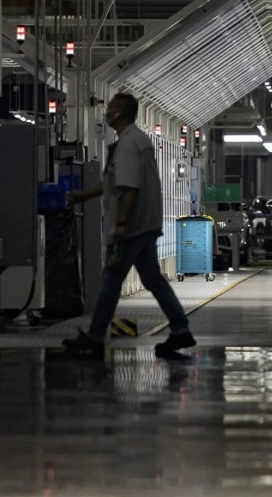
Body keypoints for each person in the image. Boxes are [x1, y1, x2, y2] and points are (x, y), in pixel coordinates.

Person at [62, 93, 195, 359]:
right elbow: (115, 183)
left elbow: (129, 188)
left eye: (110, 108)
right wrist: (84, 195)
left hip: (131, 227)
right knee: (153, 279)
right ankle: (180, 329)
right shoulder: (138, 140)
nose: (106, 111)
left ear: (120, 112)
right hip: (145, 224)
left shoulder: (127, 145)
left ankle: (95, 337)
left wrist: (121, 223)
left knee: (111, 280)